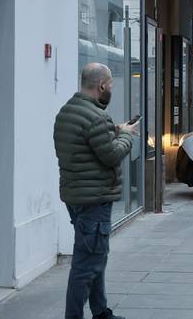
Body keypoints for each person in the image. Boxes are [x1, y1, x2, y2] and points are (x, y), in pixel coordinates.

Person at [53, 63, 139, 319]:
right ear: (102, 86)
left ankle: (100, 312)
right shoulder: (97, 117)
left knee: (94, 259)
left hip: (76, 197)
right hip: (94, 199)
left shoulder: (67, 111)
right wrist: (127, 135)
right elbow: (111, 155)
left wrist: (116, 129)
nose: (111, 88)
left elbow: (86, 140)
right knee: (86, 265)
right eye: (110, 84)